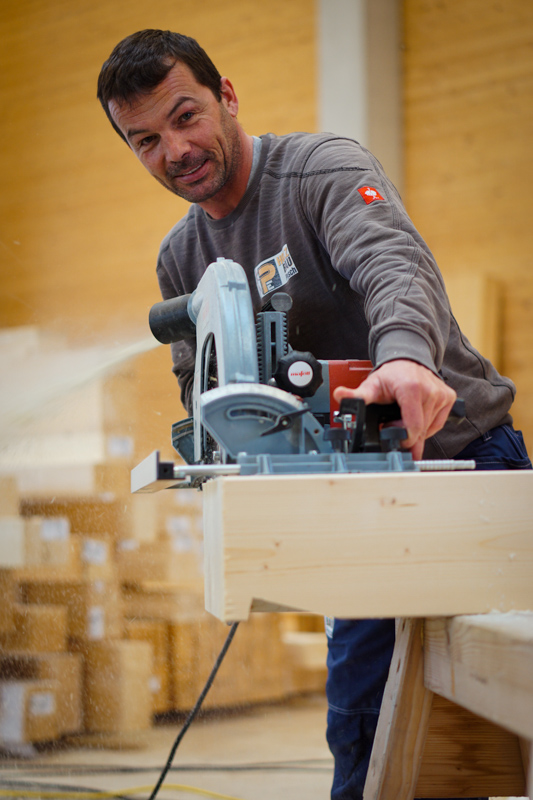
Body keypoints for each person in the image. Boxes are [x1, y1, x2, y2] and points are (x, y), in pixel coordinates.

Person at [97, 29, 531, 800]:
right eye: (145, 141)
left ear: (227, 95)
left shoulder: (318, 169)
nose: (175, 150)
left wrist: (402, 358)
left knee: (507, 701)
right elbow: (197, 384)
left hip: (462, 465)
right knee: (363, 727)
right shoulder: (180, 257)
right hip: (350, 505)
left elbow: (391, 263)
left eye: (186, 116)